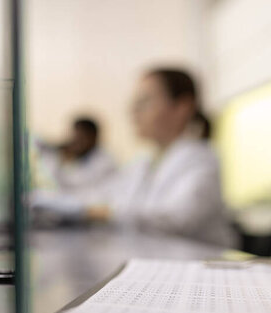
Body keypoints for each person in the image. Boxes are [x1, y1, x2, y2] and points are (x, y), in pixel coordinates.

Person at [87, 68, 236, 247]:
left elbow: (176, 219)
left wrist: (102, 213)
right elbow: (106, 195)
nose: (133, 111)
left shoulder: (200, 158)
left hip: (200, 266)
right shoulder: (144, 162)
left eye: (144, 102)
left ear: (183, 107)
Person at [40, 117, 116, 192]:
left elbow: (78, 186)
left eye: (81, 137)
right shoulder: (82, 159)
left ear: (93, 136)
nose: (76, 142)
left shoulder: (104, 161)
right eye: (75, 137)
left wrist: (62, 158)